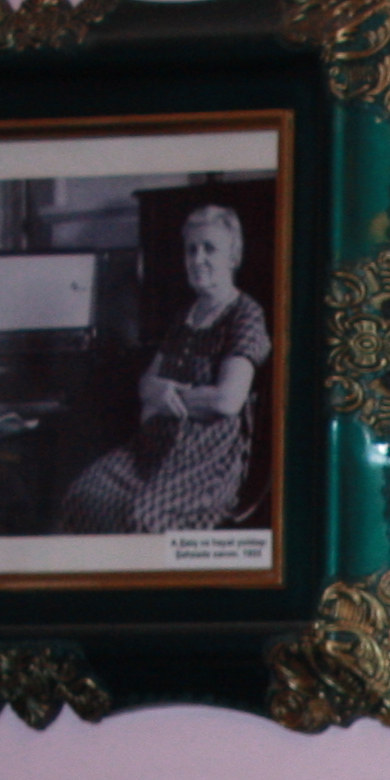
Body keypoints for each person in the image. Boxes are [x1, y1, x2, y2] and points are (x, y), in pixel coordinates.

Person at [58, 201, 269, 534]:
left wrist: (168, 397)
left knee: (144, 518)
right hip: (151, 449)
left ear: (232, 256)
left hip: (205, 460)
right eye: (191, 250)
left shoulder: (245, 314)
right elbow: (146, 384)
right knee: (83, 495)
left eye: (209, 249)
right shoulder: (186, 316)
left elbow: (228, 400)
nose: (197, 259)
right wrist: (157, 392)